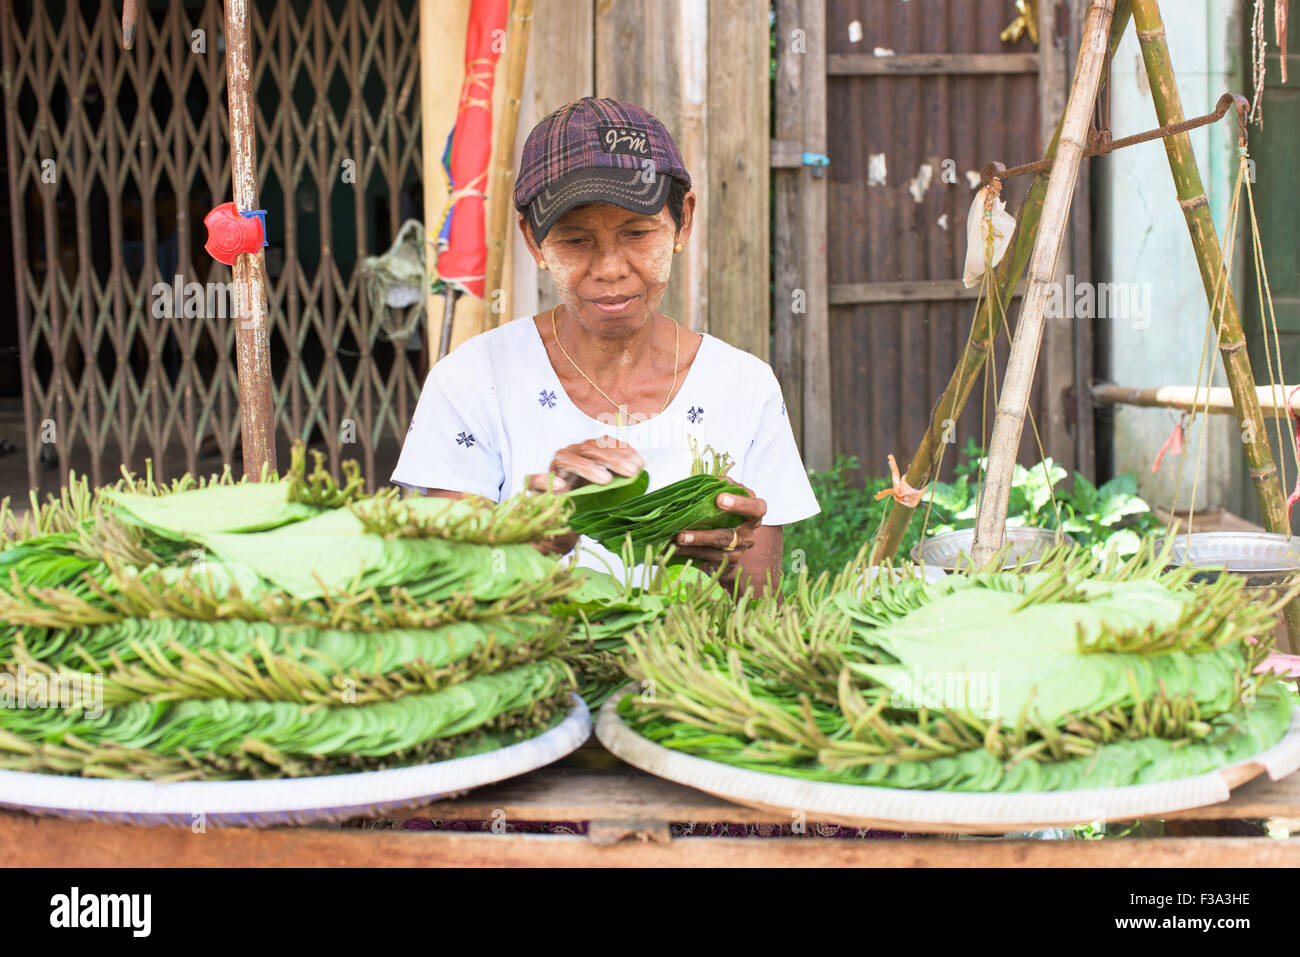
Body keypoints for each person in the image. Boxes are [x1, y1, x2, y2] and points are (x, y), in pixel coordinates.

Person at [392, 96, 818, 596]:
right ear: (534, 242)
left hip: (692, 670)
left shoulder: (744, 387)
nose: (610, 267)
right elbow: (441, 592)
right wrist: (535, 537)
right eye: (574, 241)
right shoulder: (472, 381)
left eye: (638, 233)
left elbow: (758, 609)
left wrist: (726, 560)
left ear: (682, 221)